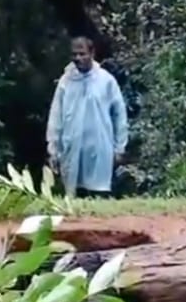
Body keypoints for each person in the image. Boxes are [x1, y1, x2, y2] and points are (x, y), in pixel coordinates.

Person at [46, 36, 128, 198]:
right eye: (74, 54)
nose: (78, 58)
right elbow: (56, 116)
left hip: (100, 148)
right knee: (74, 194)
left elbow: (119, 115)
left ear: (92, 53)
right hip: (72, 148)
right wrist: (53, 149)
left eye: (82, 54)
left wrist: (120, 147)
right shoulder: (66, 81)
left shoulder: (106, 81)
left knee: (99, 192)